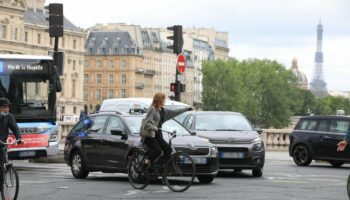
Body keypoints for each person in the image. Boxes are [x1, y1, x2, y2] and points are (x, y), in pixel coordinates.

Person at [141, 93, 192, 170]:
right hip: (150, 136)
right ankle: (145, 164)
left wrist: (186, 109)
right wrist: (154, 128)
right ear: (159, 100)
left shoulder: (162, 110)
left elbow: (175, 111)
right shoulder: (152, 109)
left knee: (168, 149)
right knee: (157, 151)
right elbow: (147, 124)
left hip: (158, 136)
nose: (164, 101)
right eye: (163, 99)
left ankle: (160, 167)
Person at [0, 97, 22, 191]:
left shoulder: (9, 116)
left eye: (7, 107)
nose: (7, 109)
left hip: (2, 144)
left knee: (3, 165)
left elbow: (15, 128)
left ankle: (1, 185)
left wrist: (19, 138)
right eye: (4, 107)